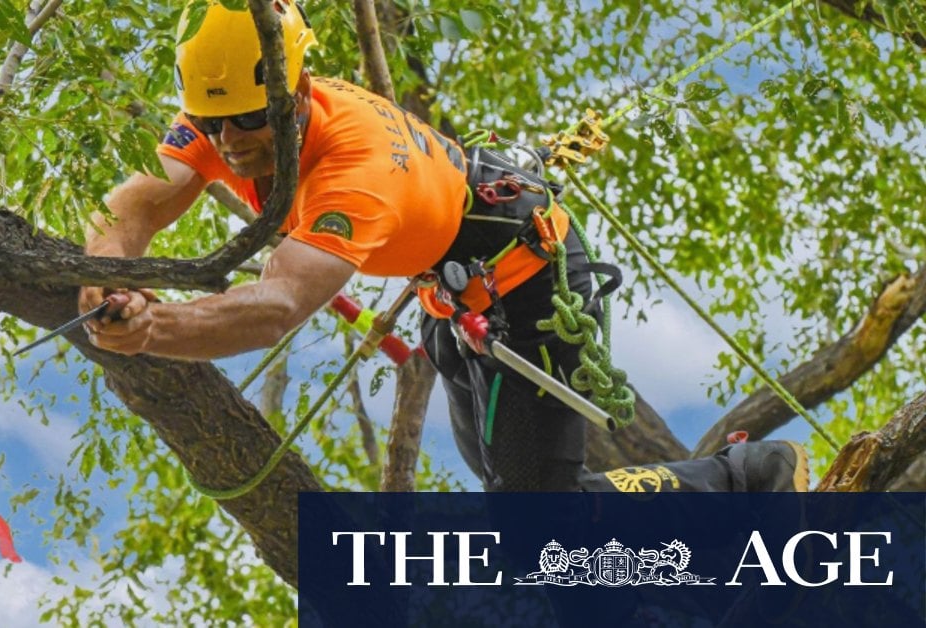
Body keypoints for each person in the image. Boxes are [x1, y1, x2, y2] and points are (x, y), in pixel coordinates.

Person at [79, 0, 809, 493]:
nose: (229, 145)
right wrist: (100, 282)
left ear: (295, 91)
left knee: (536, 525)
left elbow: (277, 305)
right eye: (213, 126)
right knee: (510, 497)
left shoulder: (354, 167)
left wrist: (153, 328)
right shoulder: (219, 113)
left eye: (245, 121)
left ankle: (749, 475)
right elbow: (138, 202)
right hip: (457, 295)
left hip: (527, 283)